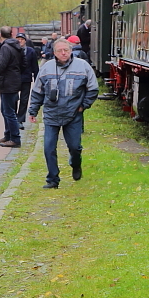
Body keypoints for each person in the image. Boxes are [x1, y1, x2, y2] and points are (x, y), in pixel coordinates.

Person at [28, 38, 98, 189]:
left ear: (71, 50)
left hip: (73, 114)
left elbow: (93, 89)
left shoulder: (83, 66)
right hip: (51, 114)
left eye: (66, 50)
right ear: (54, 53)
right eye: (60, 51)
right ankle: (52, 179)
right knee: (48, 148)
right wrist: (33, 110)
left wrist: (83, 106)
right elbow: (37, 92)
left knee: (74, 146)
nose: (63, 53)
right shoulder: (46, 68)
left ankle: (75, 163)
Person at [16, 34, 39, 131]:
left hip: (26, 78)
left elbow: (35, 66)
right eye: (18, 39)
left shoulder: (30, 51)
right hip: (15, 79)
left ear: (25, 40)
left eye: (22, 39)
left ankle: (20, 119)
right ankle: (14, 119)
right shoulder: (13, 50)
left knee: (24, 99)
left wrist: (37, 80)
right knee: (14, 99)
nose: (20, 41)